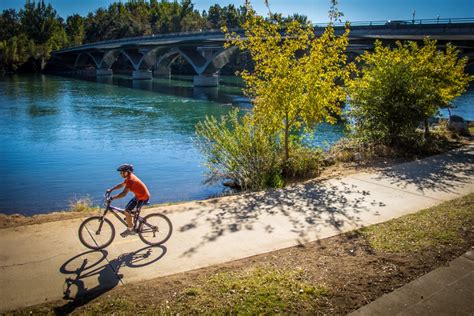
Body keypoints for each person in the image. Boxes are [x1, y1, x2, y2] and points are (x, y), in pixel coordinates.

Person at [107, 164, 150, 237]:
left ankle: (130, 229)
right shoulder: (129, 177)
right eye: (120, 172)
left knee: (127, 211)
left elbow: (123, 194)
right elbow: (122, 185)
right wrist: (111, 189)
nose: (120, 174)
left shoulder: (130, 180)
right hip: (138, 196)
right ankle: (137, 221)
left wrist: (112, 198)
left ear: (127, 172)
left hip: (143, 197)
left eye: (122, 172)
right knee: (127, 211)